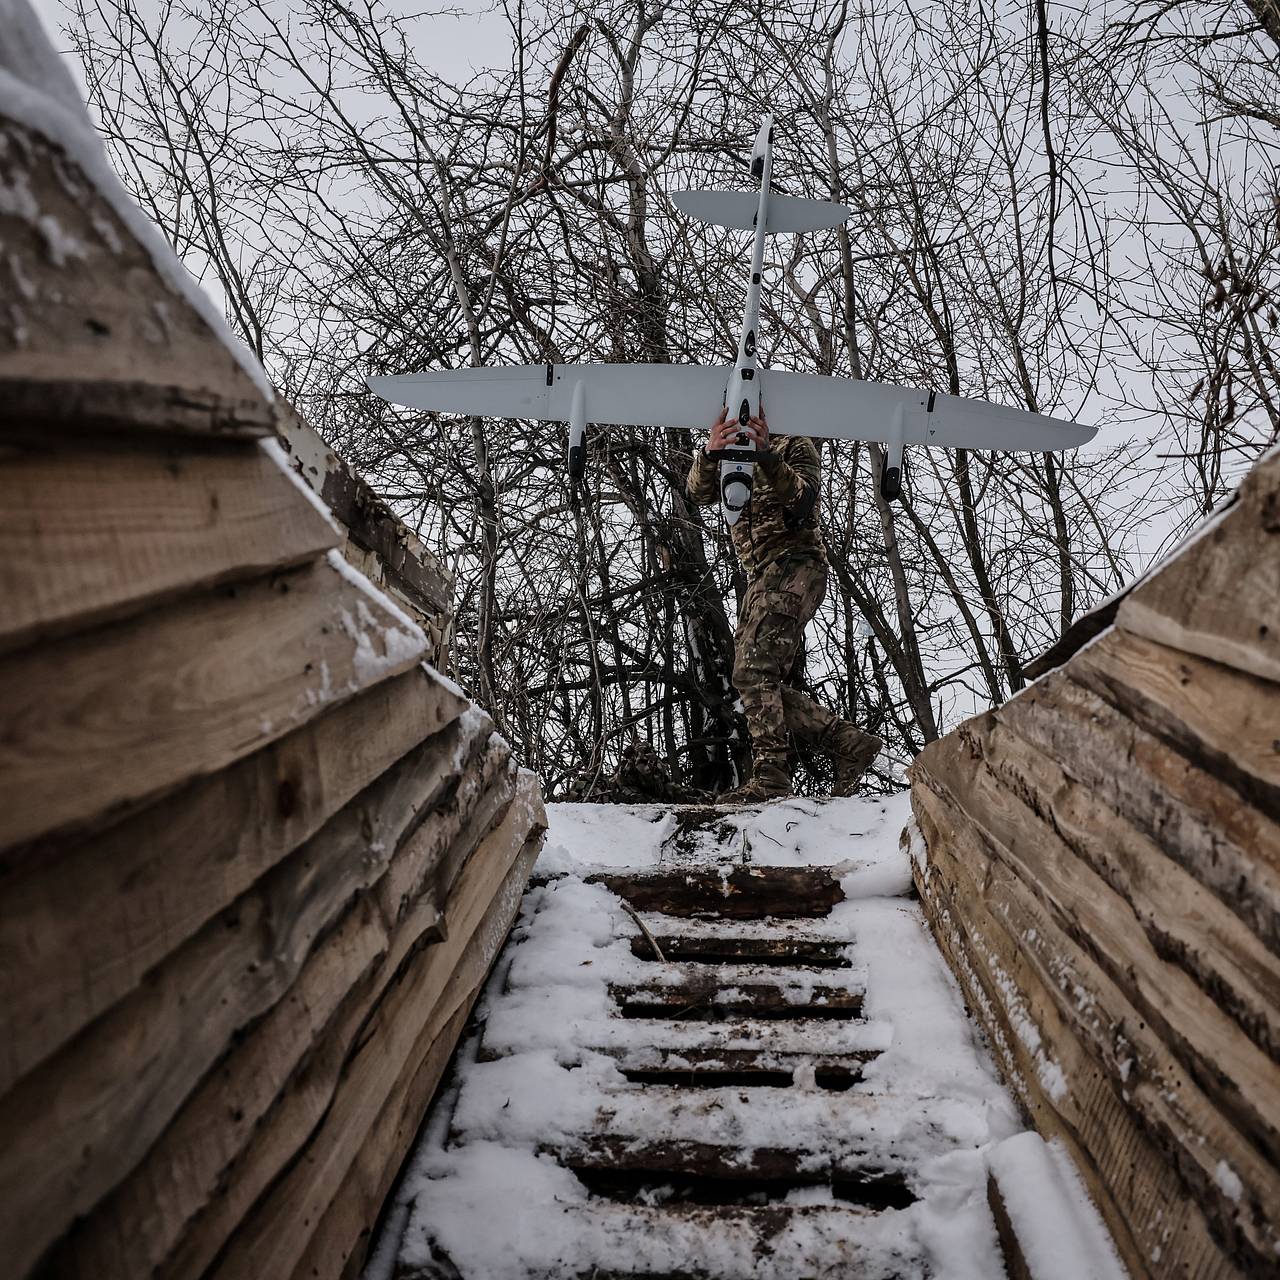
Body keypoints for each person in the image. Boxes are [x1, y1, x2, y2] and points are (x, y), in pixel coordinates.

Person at [686, 406, 882, 803]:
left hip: (796, 563)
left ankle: (772, 779)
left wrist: (767, 455)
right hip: (761, 575)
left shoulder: (794, 444)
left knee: (753, 671)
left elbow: (803, 499)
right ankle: (850, 742)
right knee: (752, 679)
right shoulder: (728, 453)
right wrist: (709, 454)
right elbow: (697, 493)